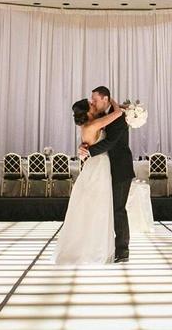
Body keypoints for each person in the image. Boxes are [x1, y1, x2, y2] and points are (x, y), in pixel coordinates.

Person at [51, 96, 125, 264]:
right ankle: (94, 250)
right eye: (91, 104)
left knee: (92, 205)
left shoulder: (89, 125)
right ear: (88, 111)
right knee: (98, 206)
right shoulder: (93, 124)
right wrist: (112, 101)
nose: (94, 104)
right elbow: (117, 114)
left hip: (95, 165)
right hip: (99, 166)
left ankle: (90, 247)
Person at [79, 86, 135, 263]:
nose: (93, 103)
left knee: (118, 209)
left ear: (105, 99)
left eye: (95, 100)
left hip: (120, 169)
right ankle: (106, 247)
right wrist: (84, 146)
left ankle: (123, 250)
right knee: (106, 209)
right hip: (105, 170)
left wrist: (88, 152)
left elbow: (110, 142)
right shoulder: (103, 116)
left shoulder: (118, 118)